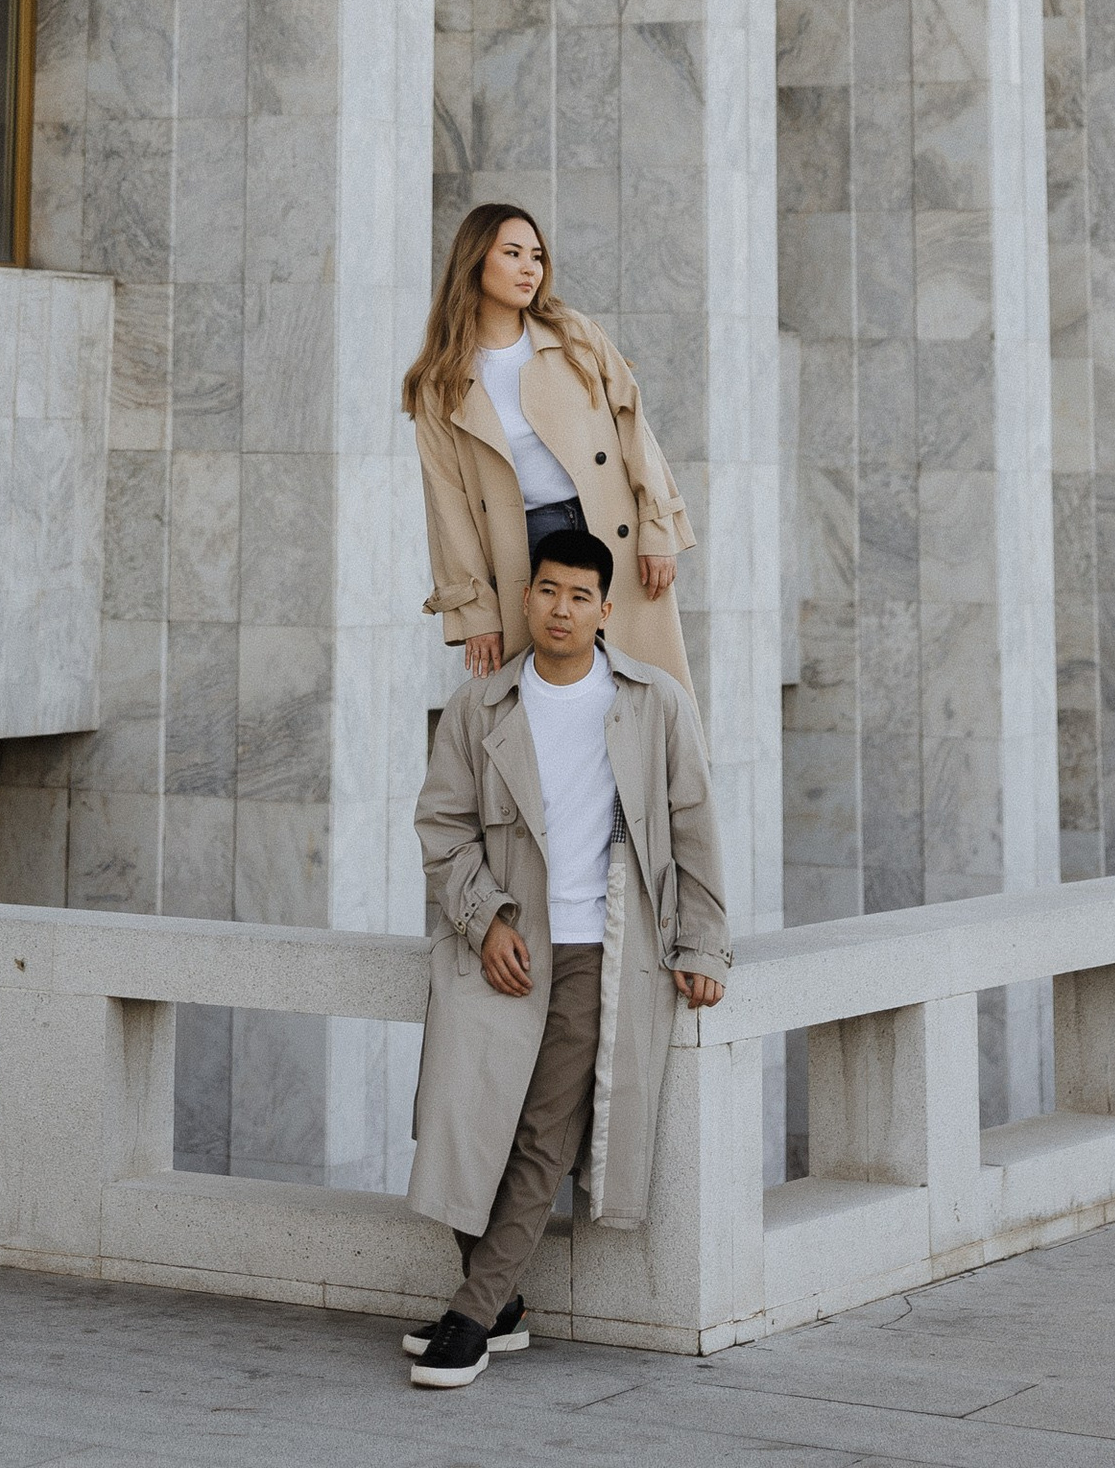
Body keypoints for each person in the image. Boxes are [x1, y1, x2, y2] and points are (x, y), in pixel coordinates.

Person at [401, 531, 729, 1389]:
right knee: (459, 1119)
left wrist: (701, 945)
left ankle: (472, 1318)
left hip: (604, 949)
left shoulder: (655, 702)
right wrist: (486, 920)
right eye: (548, 591)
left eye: (580, 597)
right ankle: (499, 1304)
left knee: (545, 1137)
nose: (560, 609)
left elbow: (694, 827)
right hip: (506, 945)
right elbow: (443, 830)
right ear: (528, 598)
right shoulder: (481, 706)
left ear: (605, 611)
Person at [402, 202, 695, 693]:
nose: (529, 268)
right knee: (546, 703)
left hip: (610, 528)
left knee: (645, 693)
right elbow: (448, 504)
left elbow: (634, 429)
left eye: (535, 256)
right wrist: (476, 612)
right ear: (475, 263)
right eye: (512, 253)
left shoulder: (574, 335)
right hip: (523, 548)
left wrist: (657, 528)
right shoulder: (441, 381)